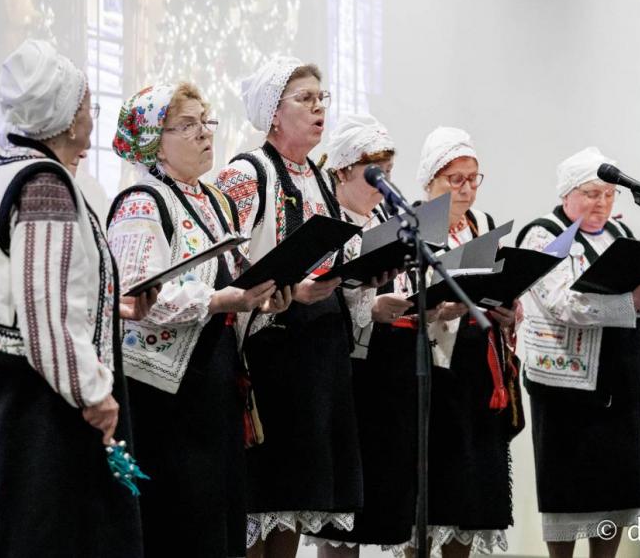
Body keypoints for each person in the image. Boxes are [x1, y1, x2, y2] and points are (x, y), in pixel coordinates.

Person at [0, 39, 156, 558]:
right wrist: (93, 393)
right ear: (66, 117)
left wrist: (112, 305)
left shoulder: (4, 170)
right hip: (45, 408)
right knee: (57, 536)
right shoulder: (45, 185)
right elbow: (44, 315)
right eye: (87, 104)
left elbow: (24, 290)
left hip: (22, 394)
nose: (91, 116)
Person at [107, 82, 291, 557]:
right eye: (187, 125)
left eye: (205, 121)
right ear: (154, 142)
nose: (205, 133)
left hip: (214, 383)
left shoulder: (213, 201)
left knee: (217, 520)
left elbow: (231, 280)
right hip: (164, 396)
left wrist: (262, 299)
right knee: (179, 523)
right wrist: (217, 301)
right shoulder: (142, 202)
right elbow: (133, 296)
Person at [215, 57, 371, 558]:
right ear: (274, 113)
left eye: (322, 97)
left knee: (297, 496)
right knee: (262, 493)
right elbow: (223, 255)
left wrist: (365, 270)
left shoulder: (319, 178)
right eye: (305, 98)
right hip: (269, 351)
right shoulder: (246, 173)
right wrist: (284, 289)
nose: (319, 107)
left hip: (317, 353)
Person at [515, 146, 640, 558]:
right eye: (591, 193)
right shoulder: (542, 235)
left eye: (608, 194)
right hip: (567, 385)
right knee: (568, 487)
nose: (602, 202)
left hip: (622, 379)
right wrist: (631, 302)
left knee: (616, 488)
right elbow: (561, 303)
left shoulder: (619, 234)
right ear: (567, 194)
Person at [302, 113, 416, 557]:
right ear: (343, 170)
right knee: (340, 512)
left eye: (388, 172)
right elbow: (316, 297)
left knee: (378, 506)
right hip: (339, 373)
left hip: (383, 375)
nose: (383, 183)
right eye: (374, 173)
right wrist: (372, 307)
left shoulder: (385, 218)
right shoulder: (322, 218)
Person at [405, 126, 521, 558]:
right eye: (456, 179)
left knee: (470, 496)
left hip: (477, 373)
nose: (468, 189)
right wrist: (438, 309)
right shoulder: (412, 226)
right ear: (430, 180)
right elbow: (398, 299)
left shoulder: (484, 225)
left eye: (474, 179)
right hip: (430, 373)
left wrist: (509, 312)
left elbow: (498, 287)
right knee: (428, 495)